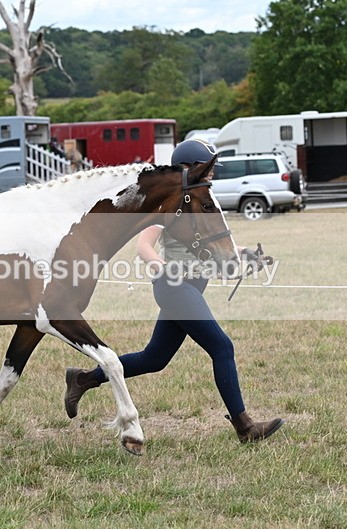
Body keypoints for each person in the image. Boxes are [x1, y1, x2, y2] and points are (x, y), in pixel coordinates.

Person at [64, 138, 284, 443]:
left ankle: (84, 378)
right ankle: (245, 427)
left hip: (191, 286)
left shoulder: (199, 199)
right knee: (222, 347)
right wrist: (162, 267)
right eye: (207, 170)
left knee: (155, 358)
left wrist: (246, 254)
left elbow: (218, 245)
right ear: (190, 168)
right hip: (174, 286)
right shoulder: (169, 204)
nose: (211, 175)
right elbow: (143, 247)